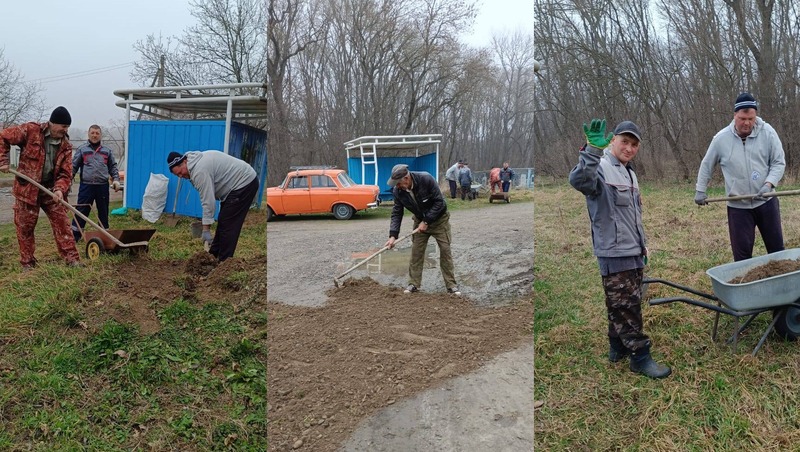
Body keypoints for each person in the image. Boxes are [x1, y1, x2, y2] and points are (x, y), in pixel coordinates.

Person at [569, 118, 671, 379]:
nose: (629, 148)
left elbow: (633, 216)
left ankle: (617, 347)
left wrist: (642, 246)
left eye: (634, 144)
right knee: (628, 306)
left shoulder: (629, 172)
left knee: (622, 301)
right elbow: (581, 182)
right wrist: (591, 150)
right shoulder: (600, 166)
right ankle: (640, 357)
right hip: (614, 252)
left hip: (633, 250)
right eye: (624, 142)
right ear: (612, 140)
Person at [694, 92, 786, 262]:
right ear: (735, 115)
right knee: (742, 257)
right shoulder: (721, 139)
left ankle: (780, 286)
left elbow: (779, 162)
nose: (747, 123)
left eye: (751, 118)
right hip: (738, 207)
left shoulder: (768, 132)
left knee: (777, 251)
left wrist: (768, 184)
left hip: (766, 202)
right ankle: (745, 286)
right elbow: (706, 165)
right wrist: (700, 190)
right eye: (743, 118)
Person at [0, 106, 82, 270]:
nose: (65, 131)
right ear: (52, 123)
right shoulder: (31, 131)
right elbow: (3, 137)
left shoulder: (66, 146)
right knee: (25, 228)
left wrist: (59, 189)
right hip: (27, 189)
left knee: (63, 225)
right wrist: (2, 160)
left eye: (67, 127)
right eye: (63, 127)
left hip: (51, 191)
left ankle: (72, 260)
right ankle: (27, 263)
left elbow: (66, 173)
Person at [167, 150, 259, 262]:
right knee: (224, 220)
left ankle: (224, 263)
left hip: (244, 182)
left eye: (180, 172)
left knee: (228, 223)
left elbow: (208, 201)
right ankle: (213, 256)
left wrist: (206, 230)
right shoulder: (193, 165)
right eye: (178, 175)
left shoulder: (199, 171)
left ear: (185, 161)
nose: (181, 176)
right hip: (233, 188)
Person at [384, 164, 460, 296]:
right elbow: (397, 212)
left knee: (445, 251)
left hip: (439, 221)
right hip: (420, 221)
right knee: (416, 252)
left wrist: (427, 221)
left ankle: (451, 285)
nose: (397, 186)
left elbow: (440, 203)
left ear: (406, 178)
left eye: (398, 183)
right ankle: (414, 283)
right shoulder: (398, 192)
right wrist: (393, 236)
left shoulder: (426, 179)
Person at [71, 125, 121, 242]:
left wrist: (116, 179)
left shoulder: (107, 151)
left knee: (103, 212)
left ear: (100, 135)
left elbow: (113, 167)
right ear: (88, 134)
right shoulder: (82, 149)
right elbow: (73, 166)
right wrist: (68, 180)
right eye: (92, 133)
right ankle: (75, 237)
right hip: (86, 186)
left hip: (102, 187)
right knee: (81, 211)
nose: (94, 135)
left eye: (97, 133)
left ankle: (104, 237)